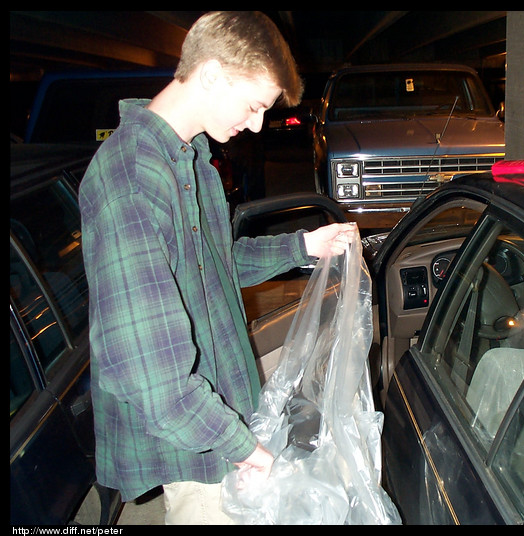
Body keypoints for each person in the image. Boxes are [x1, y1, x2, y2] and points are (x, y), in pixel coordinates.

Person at [79, 11, 353, 524]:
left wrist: (305, 246)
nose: (255, 124)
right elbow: (156, 378)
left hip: (222, 417)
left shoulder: (190, 162)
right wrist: (248, 450)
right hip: (200, 449)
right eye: (253, 105)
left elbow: (216, 264)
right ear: (210, 74)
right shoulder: (134, 180)